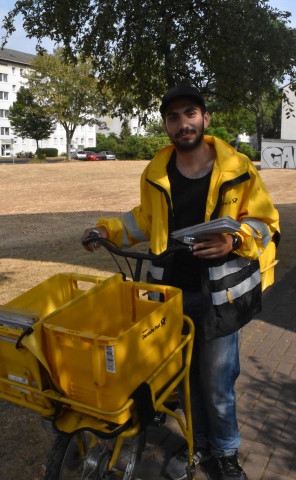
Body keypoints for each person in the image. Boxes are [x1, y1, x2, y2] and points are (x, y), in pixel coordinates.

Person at [82, 85, 280, 480]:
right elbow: (144, 220)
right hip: (170, 296)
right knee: (186, 380)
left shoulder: (238, 167)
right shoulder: (157, 171)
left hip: (220, 296)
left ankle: (225, 454)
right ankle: (198, 446)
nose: (182, 122)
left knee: (219, 385)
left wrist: (233, 239)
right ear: (167, 125)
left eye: (190, 113)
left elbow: (264, 223)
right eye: (173, 117)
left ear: (205, 119)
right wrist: (106, 231)